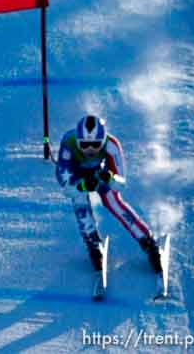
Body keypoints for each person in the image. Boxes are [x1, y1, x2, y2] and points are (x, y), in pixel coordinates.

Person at [55, 114, 162, 274]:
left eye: (95, 145)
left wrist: (109, 178)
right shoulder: (68, 143)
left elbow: (121, 184)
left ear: (103, 140)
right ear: (77, 141)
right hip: (78, 178)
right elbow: (66, 188)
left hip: (101, 175)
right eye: (84, 145)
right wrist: (82, 185)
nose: (90, 150)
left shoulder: (111, 145)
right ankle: (93, 244)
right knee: (80, 202)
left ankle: (147, 241)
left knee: (113, 201)